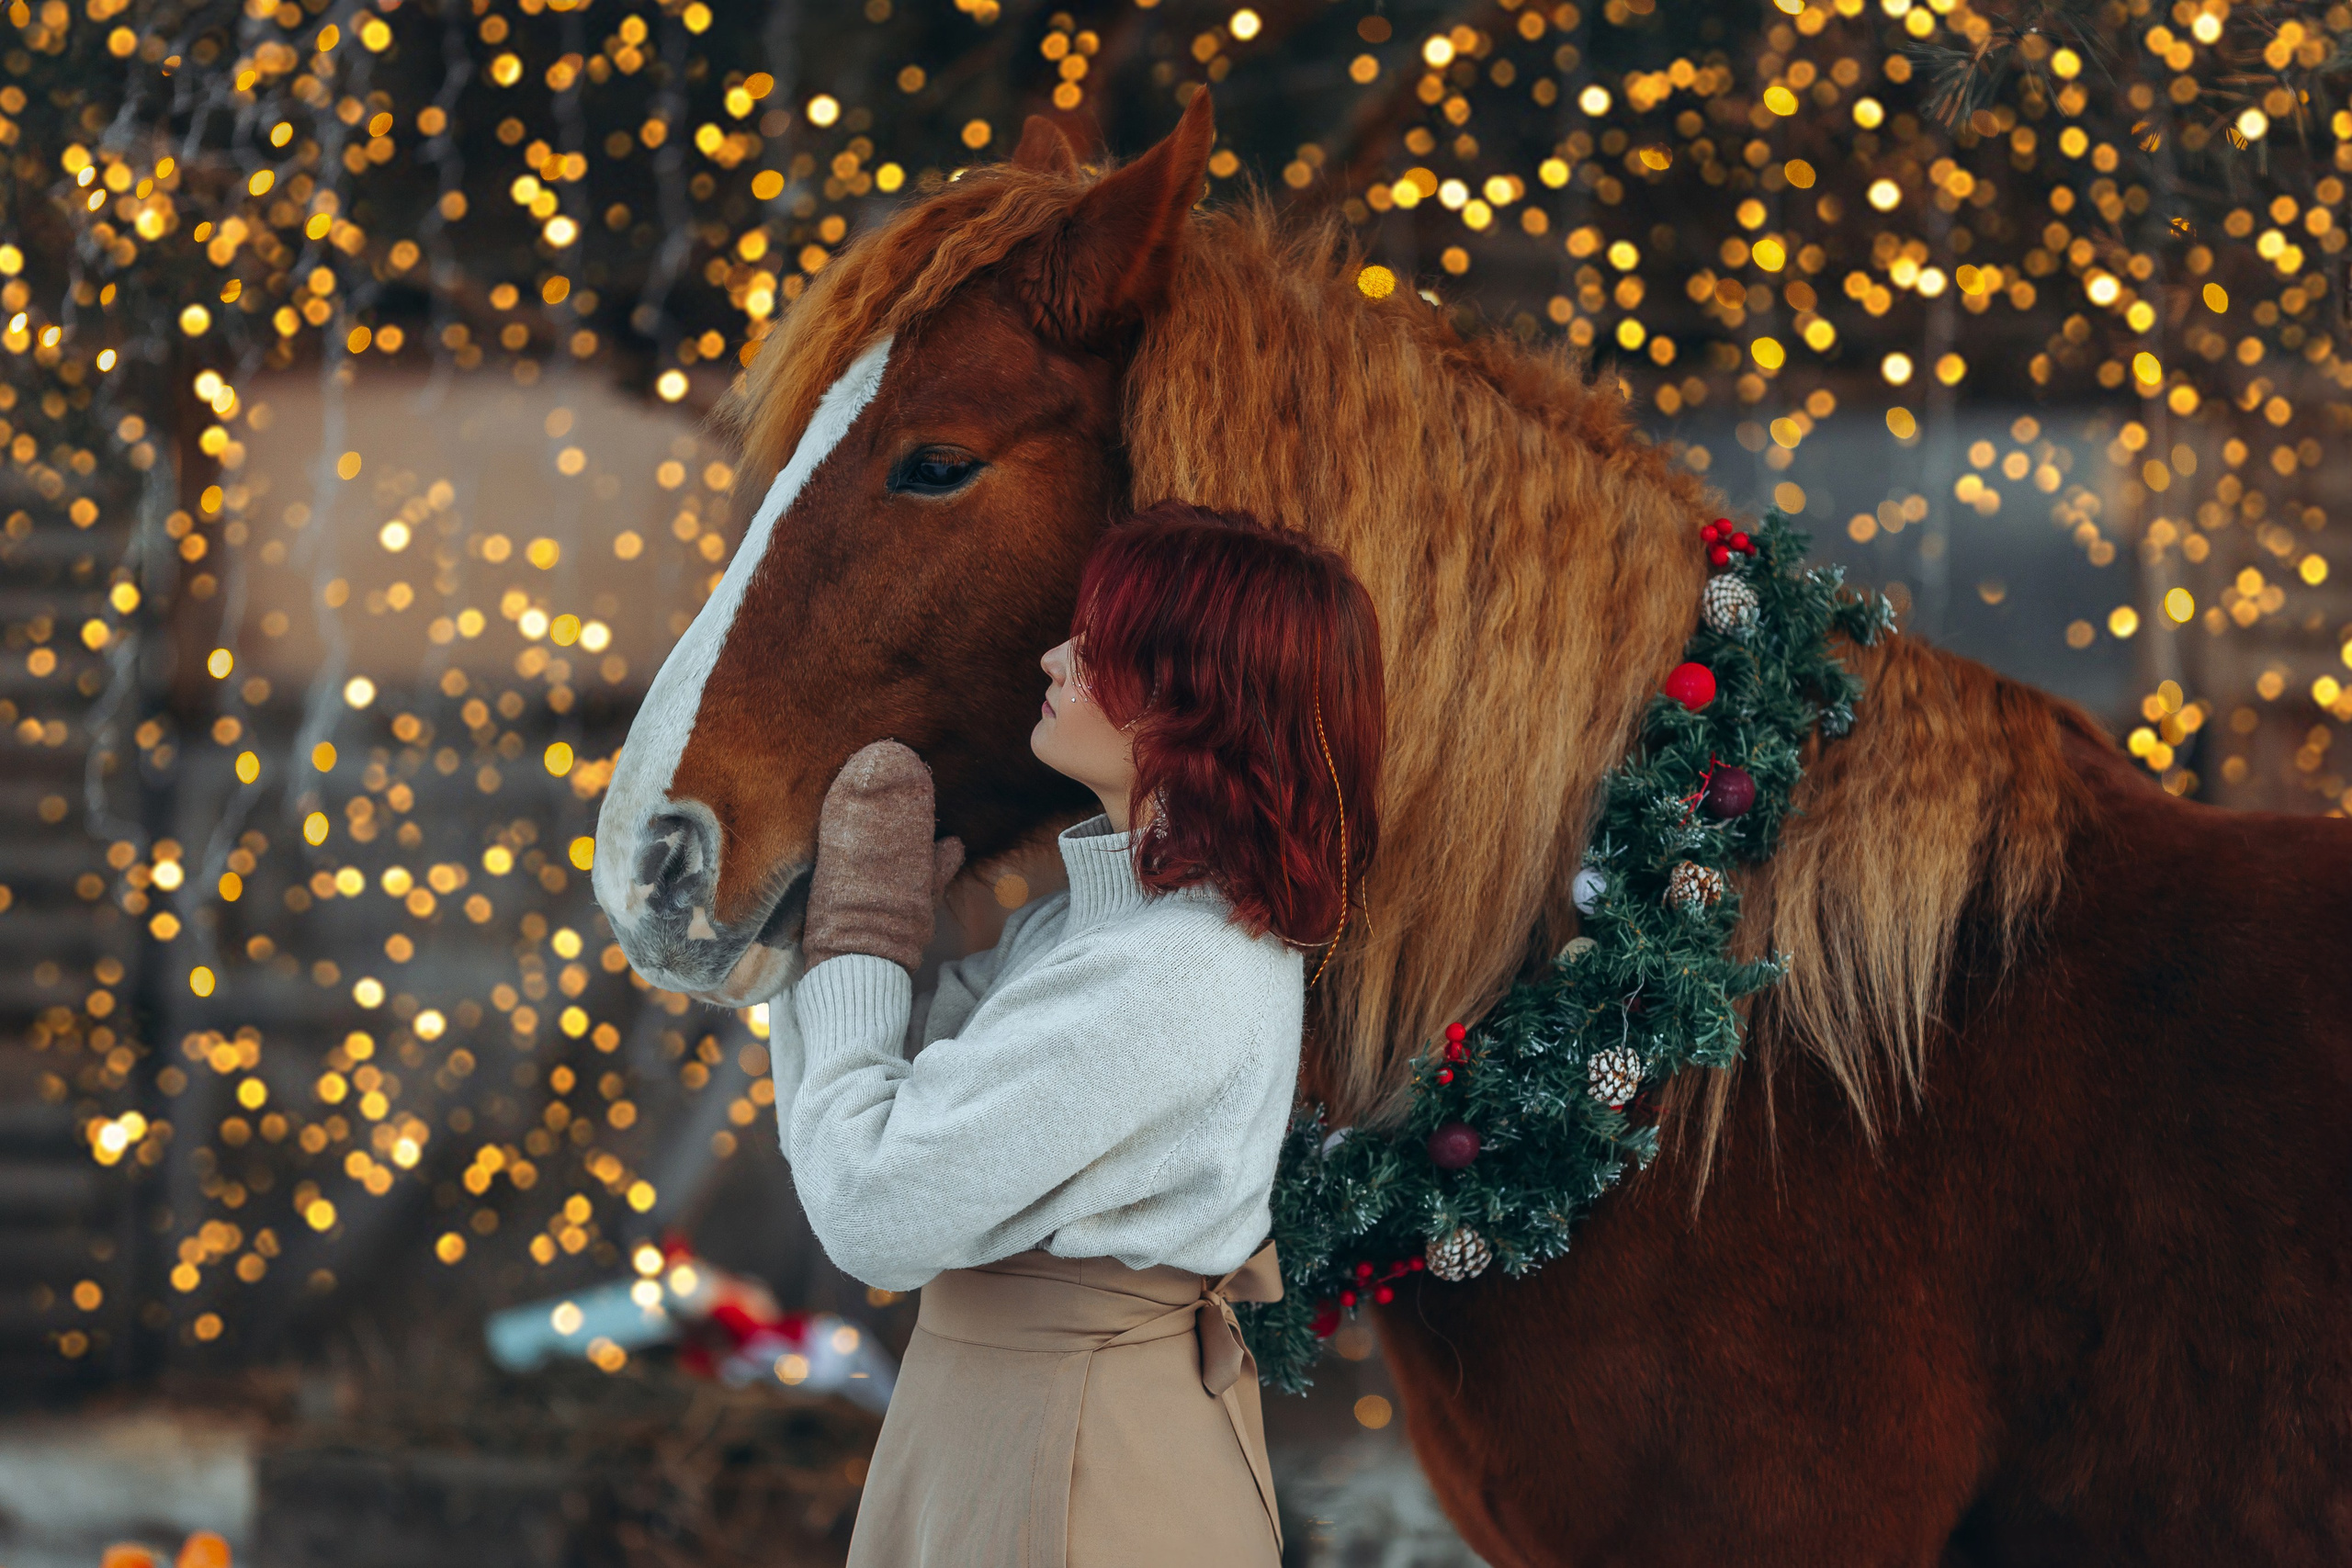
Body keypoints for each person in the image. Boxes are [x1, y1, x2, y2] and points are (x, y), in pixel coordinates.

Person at [778, 501, 1385, 1567]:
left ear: (1193, 697)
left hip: (1071, 1461)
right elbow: (889, 1090)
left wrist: (859, 937)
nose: (1056, 655)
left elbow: (871, 1202)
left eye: (1099, 643)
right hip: (1012, 1425)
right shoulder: (1095, 926)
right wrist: (824, 944)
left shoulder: (1173, 969)